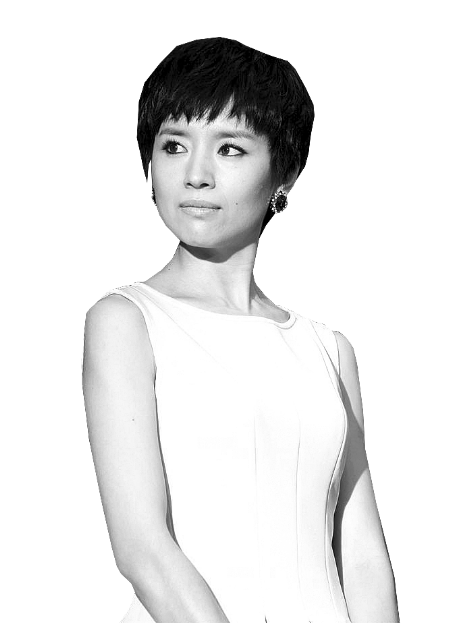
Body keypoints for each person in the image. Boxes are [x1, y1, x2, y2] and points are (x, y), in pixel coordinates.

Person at [82, 37, 400, 623]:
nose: (195, 174)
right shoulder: (127, 322)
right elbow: (143, 550)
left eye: (230, 148)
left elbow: (362, 558)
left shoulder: (329, 351)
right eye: (173, 145)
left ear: (286, 172)